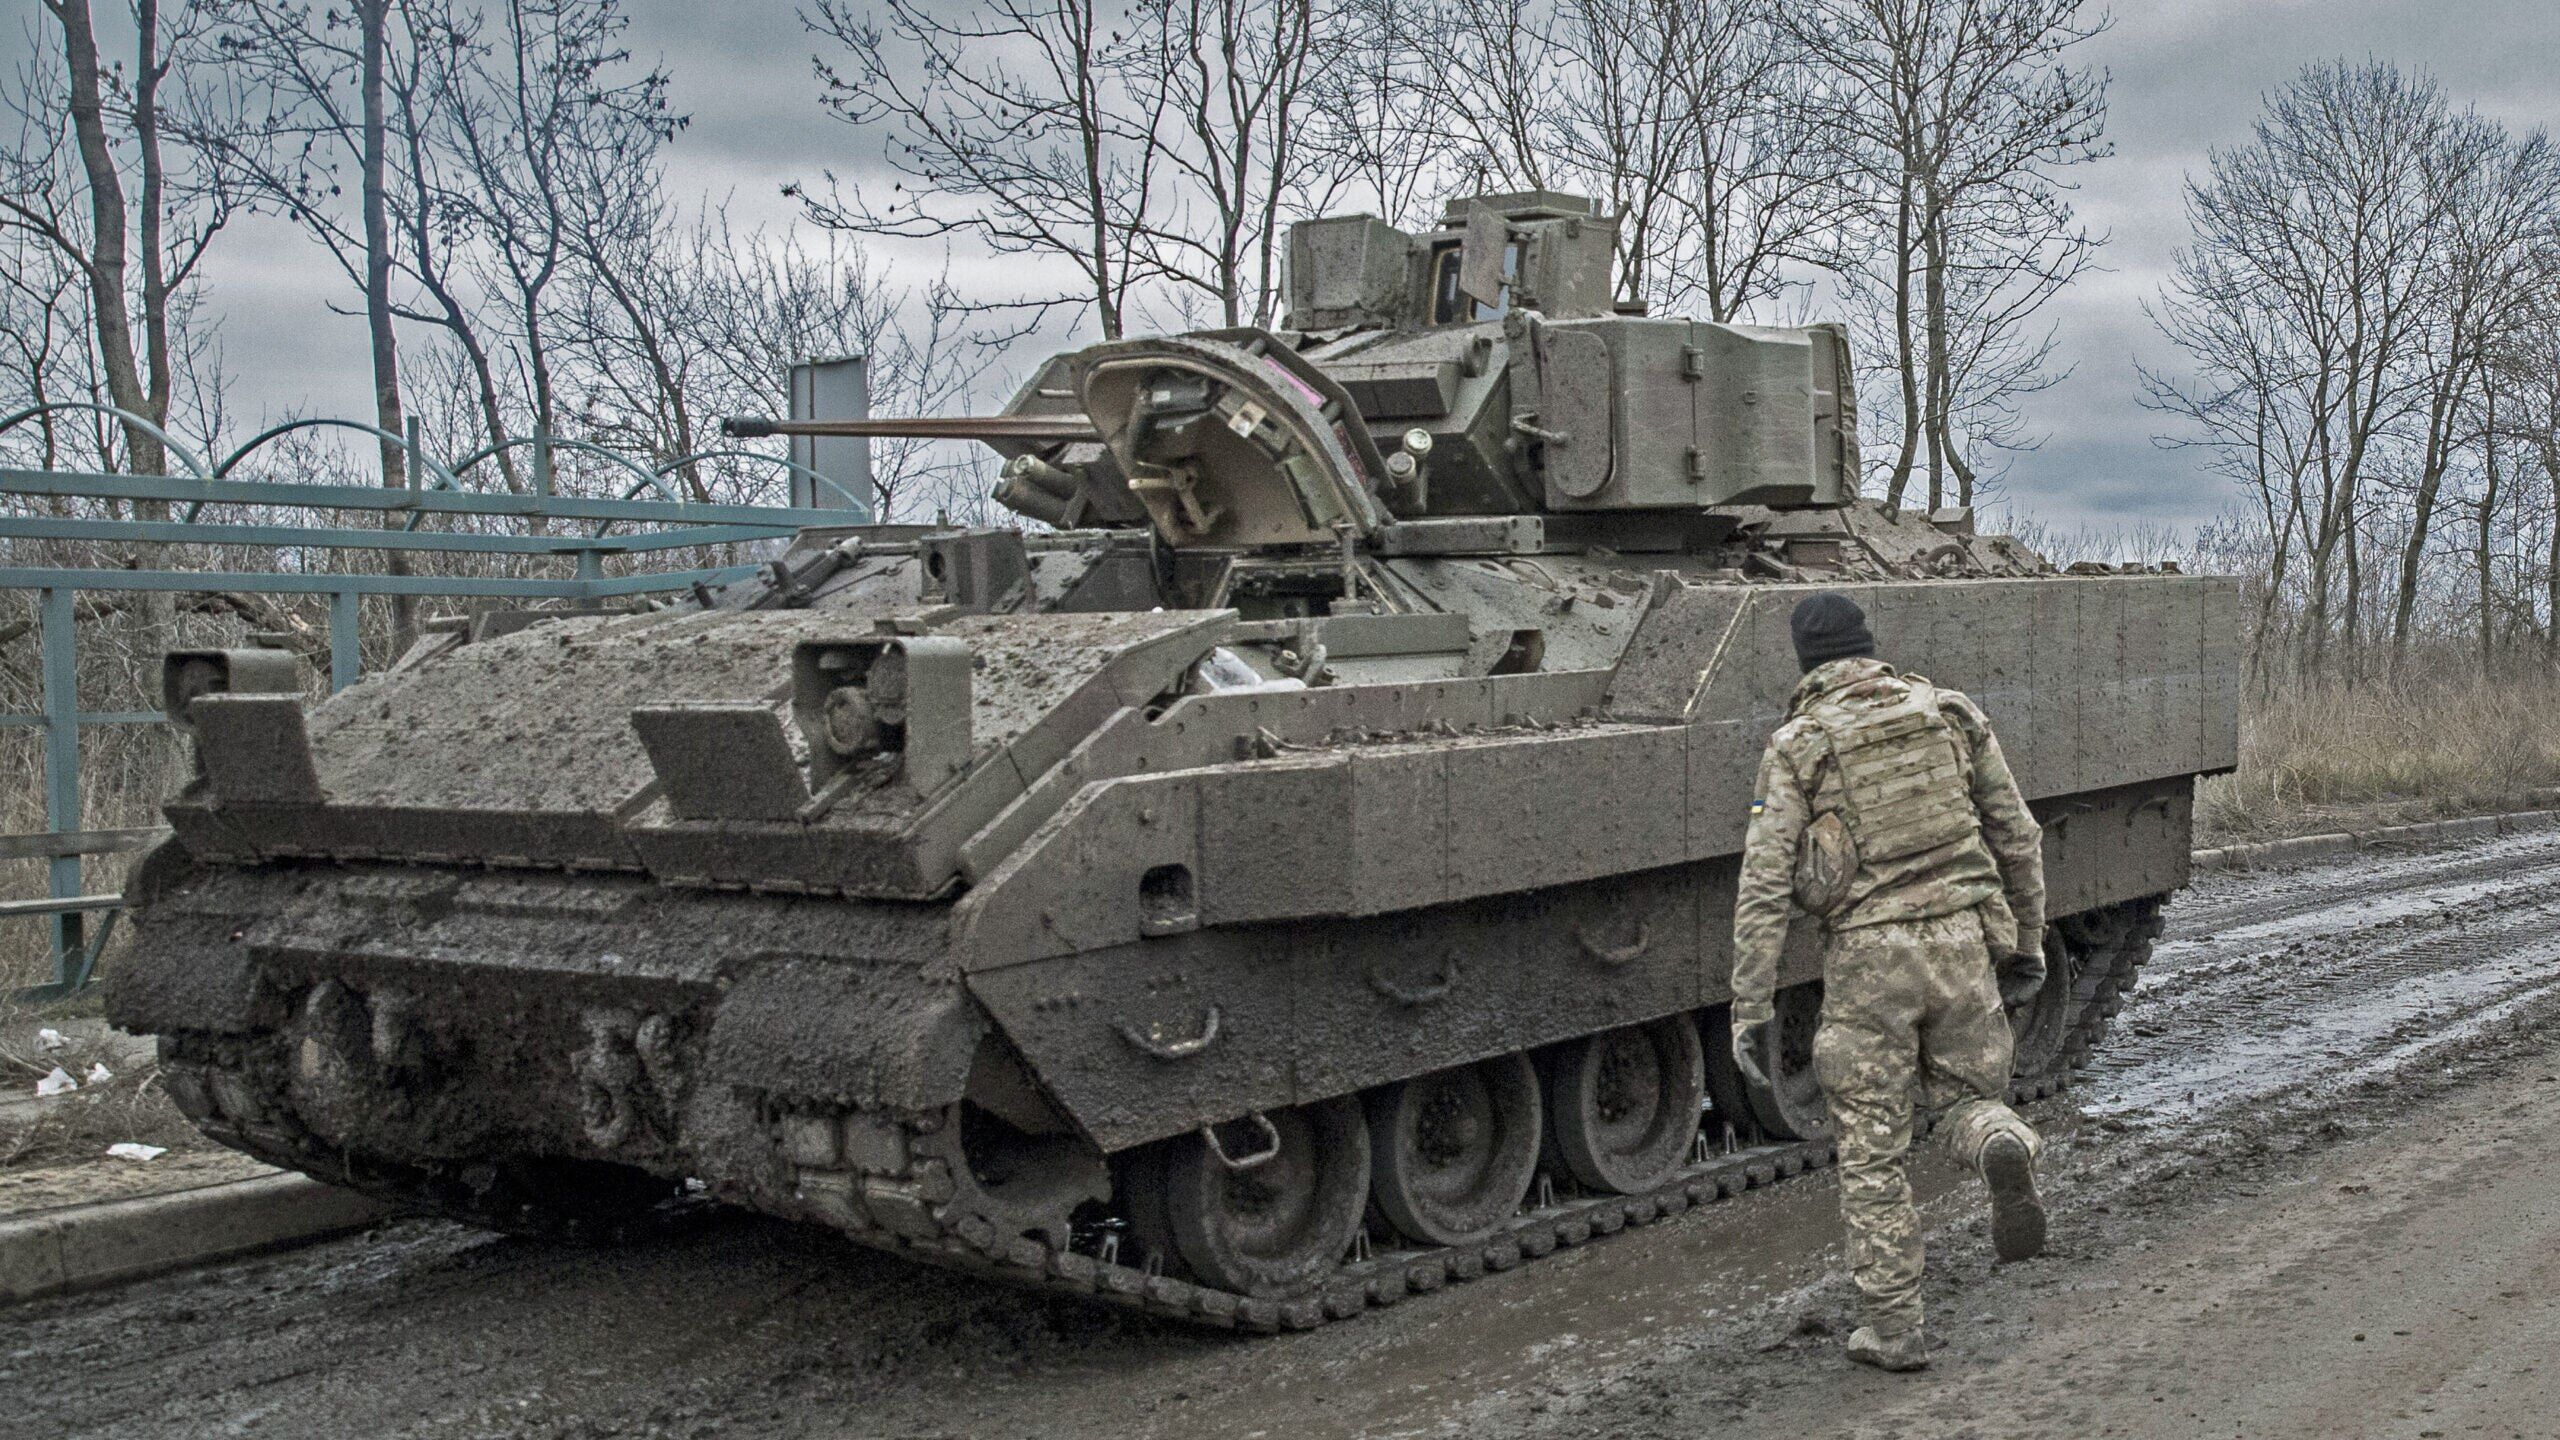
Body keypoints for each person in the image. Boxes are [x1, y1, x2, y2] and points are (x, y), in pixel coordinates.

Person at [1729, 591, 2050, 1373]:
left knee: (1873, 1149)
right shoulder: (1951, 714)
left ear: (1807, 662)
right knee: (1966, 1098)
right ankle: (2000, 1140)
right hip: (1962, 940)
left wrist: (1751, 1001)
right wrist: (2029, 938)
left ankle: (1895, 1329)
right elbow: (2017, 833)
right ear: (1868, 646)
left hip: (1870, 960)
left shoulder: (1800, 745)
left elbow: (1765, 882)